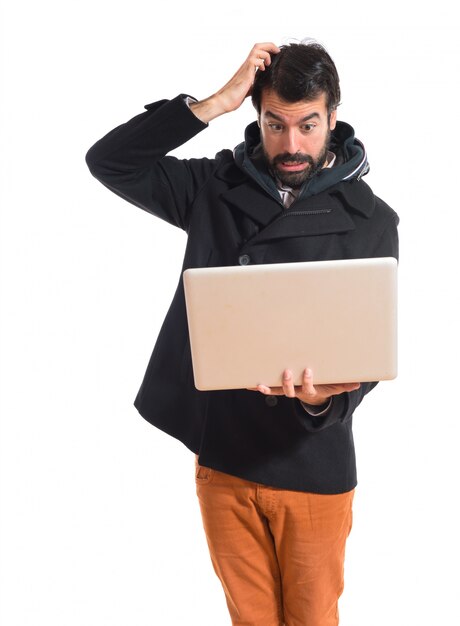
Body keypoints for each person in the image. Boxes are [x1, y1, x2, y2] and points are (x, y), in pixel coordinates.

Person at [86, 40, 399, 626]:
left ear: (333, 115)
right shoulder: (215, 188)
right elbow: (111, 162)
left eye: (308, 125)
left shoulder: (372, 220)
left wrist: (322, 398)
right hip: (225, 457)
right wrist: (213, 104)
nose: (291, 144)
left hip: (313, 462)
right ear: (257, 116)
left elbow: (371, 348)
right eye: (274, 124)